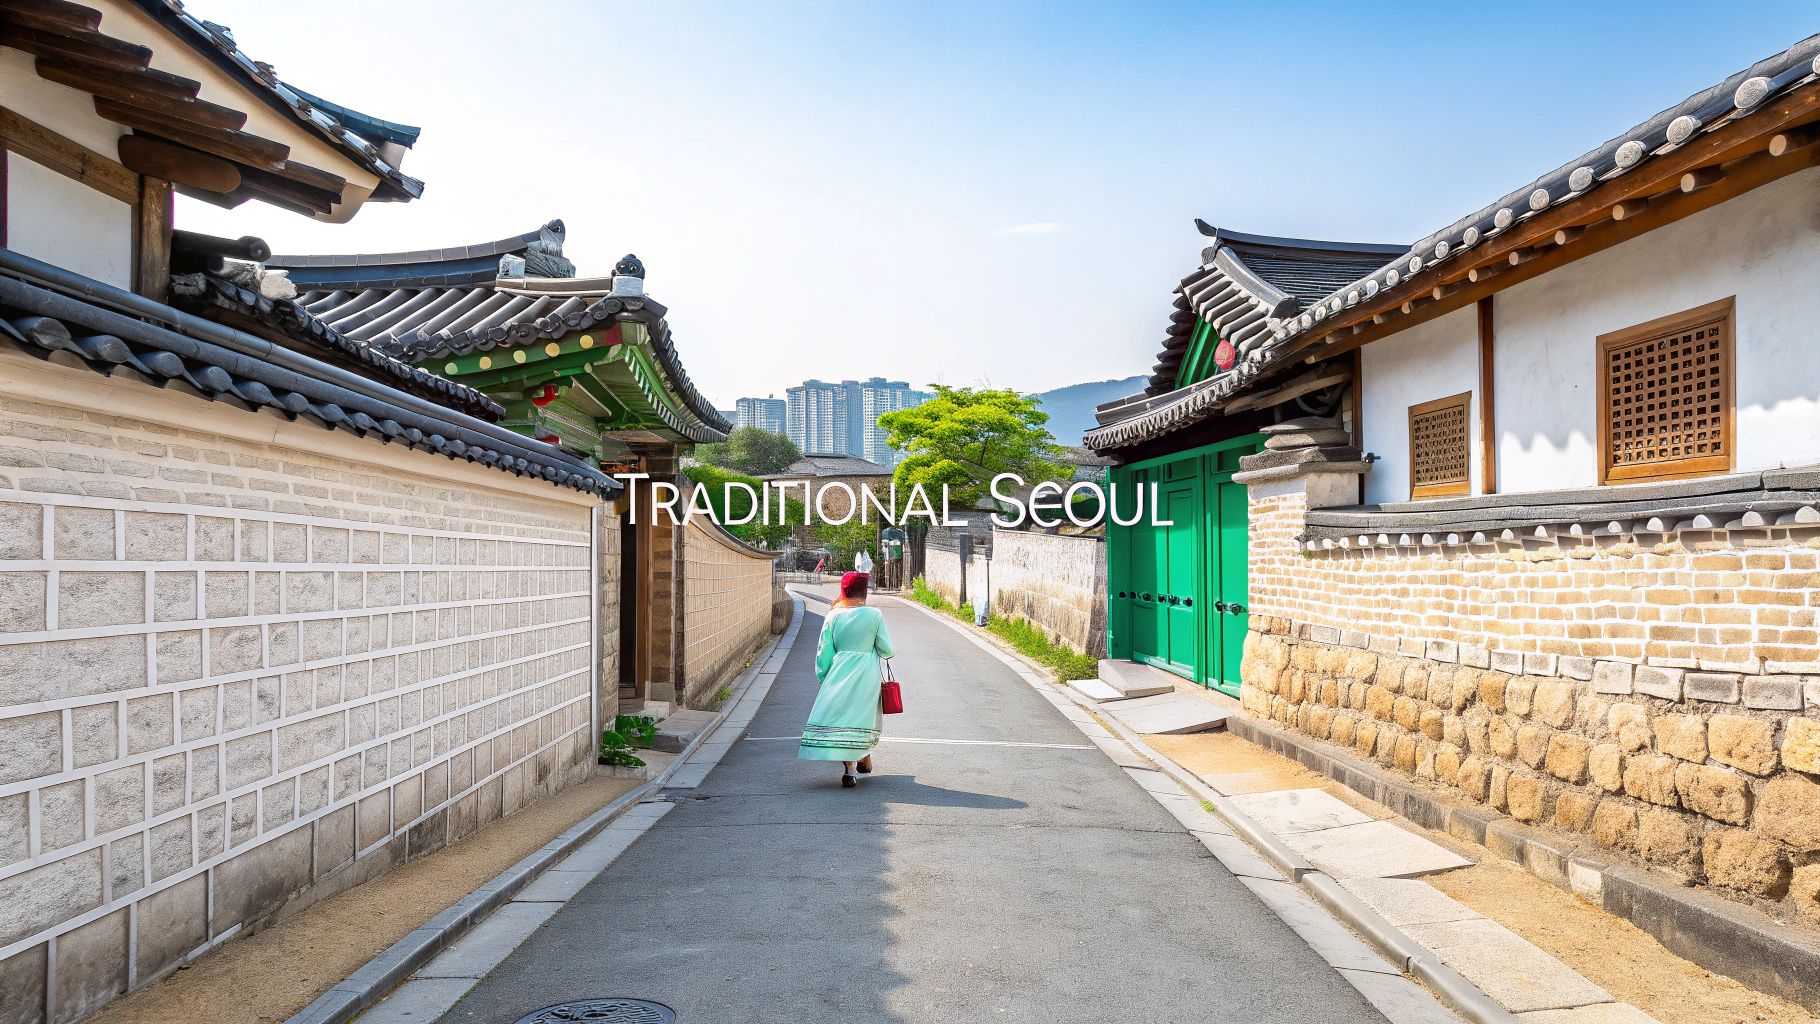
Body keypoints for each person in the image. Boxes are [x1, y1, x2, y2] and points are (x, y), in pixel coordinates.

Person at [800, 571, 895, 787]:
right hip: (866, 677)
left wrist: (825, 678)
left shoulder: (833, 616)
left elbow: (823, 653)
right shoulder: (874, 615)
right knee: (862, 718)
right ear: (865, 593)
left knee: (843, 720)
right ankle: (863, 756)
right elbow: (887, 649)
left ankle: (850, 769)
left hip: (839, 673)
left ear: (843, 592)